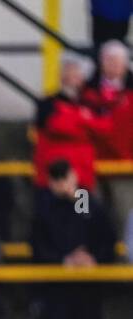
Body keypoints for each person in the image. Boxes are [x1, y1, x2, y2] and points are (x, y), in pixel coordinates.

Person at [31, 158, 117, 319]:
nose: (62, 183)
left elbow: (99, 235)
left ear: (74, 176)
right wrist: (63, 260)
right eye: (56, 179)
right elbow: (38, 246)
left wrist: (91, 257)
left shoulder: (84, 201)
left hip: (86, 286)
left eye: (65, 177)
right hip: (57, 288)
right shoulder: (45, 208)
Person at [82, 41, 133, 258]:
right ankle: (88, 253)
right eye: (108, 59)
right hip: (87, 167)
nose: (112, 64)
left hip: (125, 166)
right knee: (82, 208)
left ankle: (125, 260)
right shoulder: (86, 91)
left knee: (126, 214)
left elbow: (113, 129)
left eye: (117, 60)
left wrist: (93, 123)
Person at [34, 56, 107, 195]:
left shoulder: (92, 102)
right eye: (68, 72)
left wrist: (75, 120)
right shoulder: (47, 103)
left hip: (83, 179)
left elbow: (105, 129)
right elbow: (56, 127)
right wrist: (84, 120)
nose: (71, 77)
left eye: (76, 73)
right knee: (53, 214)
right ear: (60, 76)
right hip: (53, 178)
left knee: (83, 214)